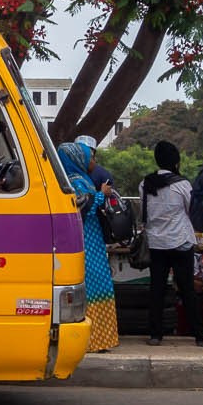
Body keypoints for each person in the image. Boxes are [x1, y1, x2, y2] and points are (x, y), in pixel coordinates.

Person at [58, 140, 121, 353]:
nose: (93, 161)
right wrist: (102, 194)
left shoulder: (79, 179)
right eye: (89, 157)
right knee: (95, 285)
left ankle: (100, 338)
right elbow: (82, 207)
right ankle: (95, 339)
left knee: (100, 284)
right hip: (87, 241)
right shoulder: (75, 182)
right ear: (77, 160)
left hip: (92, 240)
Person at [141, 141, 199, 346]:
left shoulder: (145, 183)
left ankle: (155, 335)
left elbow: (145, 212)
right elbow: (190, 209)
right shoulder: (182, 184)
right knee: (187, 288)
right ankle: (199, 334)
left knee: (156, 289)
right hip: (180, 241)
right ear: (176, 161)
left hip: (157, 243)